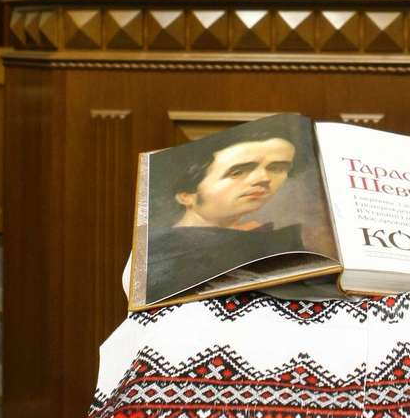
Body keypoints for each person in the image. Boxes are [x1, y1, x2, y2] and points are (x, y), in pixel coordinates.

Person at [144, 118, 337, 304]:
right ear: (186, 195)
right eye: (238, 172)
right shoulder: (162, 256)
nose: (264, 179)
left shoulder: (264, 236)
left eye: (276, 168)